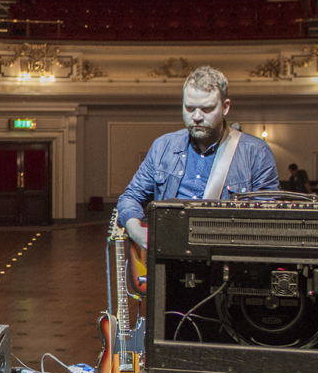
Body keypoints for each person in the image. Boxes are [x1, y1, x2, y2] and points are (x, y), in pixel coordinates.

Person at [117, 66, 279, 249]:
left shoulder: (256, 152)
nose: (197, 117)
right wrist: (136, 231)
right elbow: (130, 197)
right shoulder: (163, 146)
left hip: (226, 260)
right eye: (189, 108)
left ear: (225, 107)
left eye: (207, 108)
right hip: (168, 257)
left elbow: (267, 217)